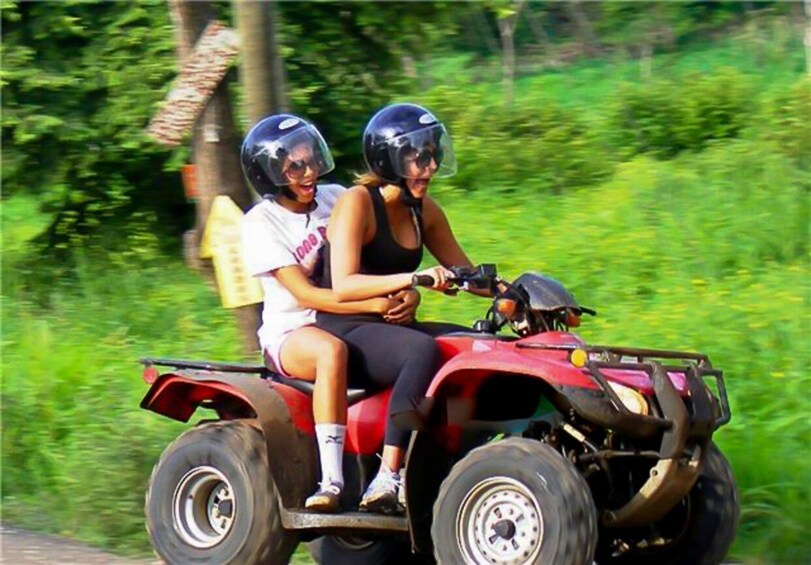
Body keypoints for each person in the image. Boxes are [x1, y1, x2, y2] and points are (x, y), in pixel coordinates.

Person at [240, 114, 420, 513]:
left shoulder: (337, 197)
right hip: (294, 330)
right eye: (295, 167)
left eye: (311, 161)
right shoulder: (260, 224)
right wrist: (375, 303)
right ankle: (332, 480)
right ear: (269, 174)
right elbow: (308, 294)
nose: (309, 173)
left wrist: (407, 294)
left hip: (350, 320)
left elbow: (375, 260)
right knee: (330, 352)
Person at [317, 103, 481, 514]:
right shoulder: (357, 202)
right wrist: (417, 279)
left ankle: (451, 455)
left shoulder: (424, 210)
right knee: (421, 351)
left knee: (474, 345)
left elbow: (465, 271)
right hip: (346, 328)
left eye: (433, 155)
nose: (429, 166)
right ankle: (388, 477)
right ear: (389, 158)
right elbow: (344, 285)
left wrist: (516, 292)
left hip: (391, 325)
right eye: (418, 157)